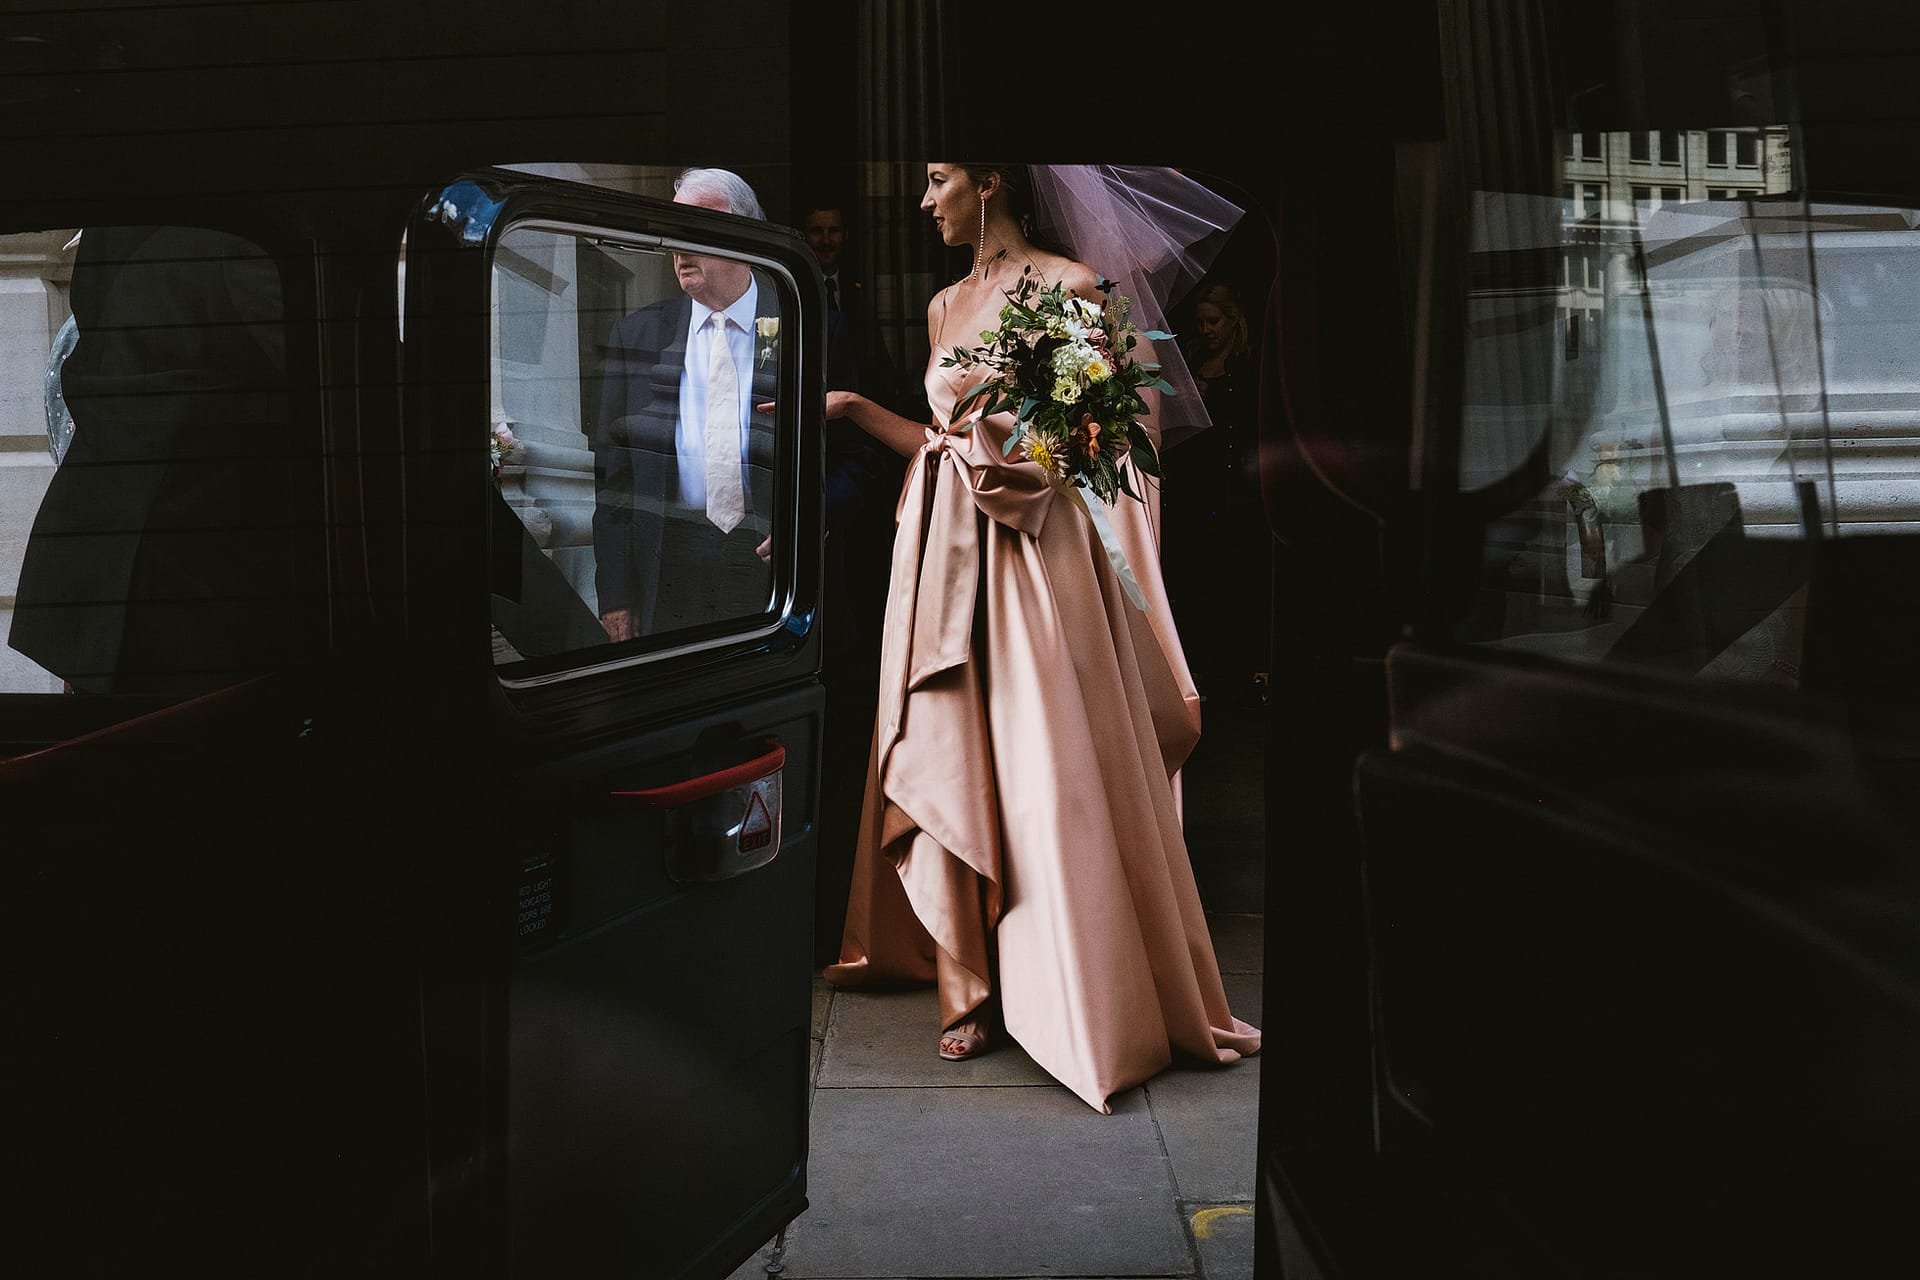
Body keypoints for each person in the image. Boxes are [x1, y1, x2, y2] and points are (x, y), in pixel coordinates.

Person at [821, 163, 1260, 1114]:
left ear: (992, 185)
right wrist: (858, 414)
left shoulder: (1071, 288)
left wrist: (1026, 442)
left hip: (1033, 559)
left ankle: (1071, 979)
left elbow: (1105, 443)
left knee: (1041, 762)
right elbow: (939, 442)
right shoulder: (943, 307)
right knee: (956, 752)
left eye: (938, 180)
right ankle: (966, 983)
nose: (924, 200)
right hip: (944, 561)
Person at [590, 167, 779, 640]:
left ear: (745, 235)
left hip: (771, 565)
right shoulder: (637, 336)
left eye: (695, 228)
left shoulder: (801, 325)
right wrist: (614, 597)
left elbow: (852, 460)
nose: (677, 245)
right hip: (665, 564)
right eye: (673, 230)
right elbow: (613, 480)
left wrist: (808, 524)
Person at [800, 196, 911, 965]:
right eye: (819, 233)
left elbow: (879, 415)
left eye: (836, 233)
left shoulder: (853, 312)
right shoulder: (794, 297)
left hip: (849, 518)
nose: (828, 242)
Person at [1162, 281, 1267, 703]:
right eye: (1201, 321)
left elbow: (1248, 421)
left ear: (1233, 320)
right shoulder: (1191, 360)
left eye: (1214, 321)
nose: (1206, 329)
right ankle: (1199, 668)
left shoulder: (1246, 366)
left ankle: (1246, 666)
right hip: (1194, 484)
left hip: (1232, 486)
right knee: (1195, 575)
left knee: (1235, 576)